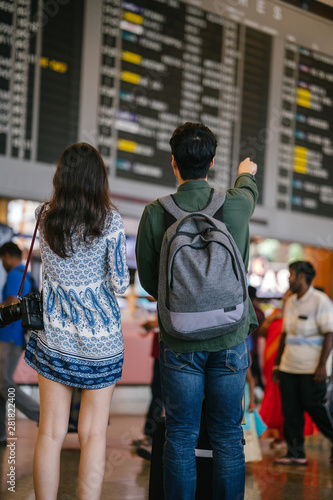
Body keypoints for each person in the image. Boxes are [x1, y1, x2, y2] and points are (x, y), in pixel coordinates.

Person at [135, 122, 258, 500]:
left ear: (173, 163)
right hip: (230, 338)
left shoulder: (156, 213)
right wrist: (244, 172)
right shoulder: (235, 203)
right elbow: (248, 187)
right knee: (226, 436)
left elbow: (149, 282)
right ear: (212, 162)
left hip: (180, 342)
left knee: (181, 436)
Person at [24, 143, 130, 500]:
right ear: (98, 178)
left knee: (50, 433)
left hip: (55, 338)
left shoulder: (44, 215)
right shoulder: (110, 220)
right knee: (94, 434)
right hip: (101, 343)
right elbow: (119, 282)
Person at [273, 261, 333, 466]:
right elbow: (284, 335)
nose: (288, 279)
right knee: (290, 412)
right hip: (289, 366)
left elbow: (329, 335)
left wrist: (322, 366)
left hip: (312, 369)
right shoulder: (289, 302)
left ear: (302, 277)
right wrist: (277, 365)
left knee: (314, 407)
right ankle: (295, 453)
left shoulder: (320, 300)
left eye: (291, 274)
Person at [0, 241, 40, 446]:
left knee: (3, 382)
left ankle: (40, 414)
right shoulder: (26, 273)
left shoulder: (16, 273)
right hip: (15, 335)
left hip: (9, 335)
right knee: (0, 383)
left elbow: (10, 303)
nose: (2, 263)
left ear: (7, 255)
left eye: (2, 259)